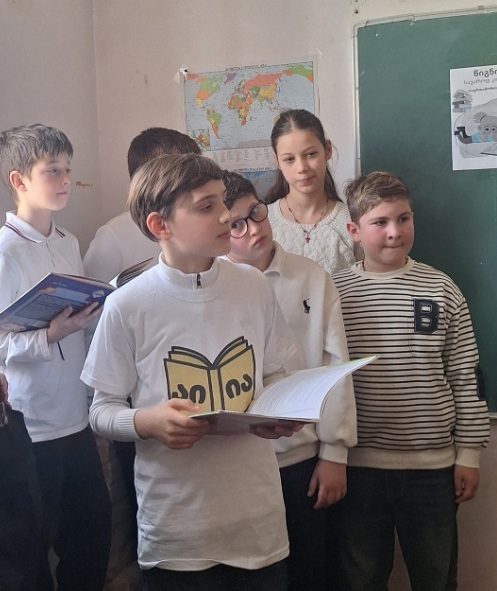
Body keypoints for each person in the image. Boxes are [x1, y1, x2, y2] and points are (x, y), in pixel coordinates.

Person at [82, 153, 302, 591]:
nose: (225, 215)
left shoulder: (253, 286)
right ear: (159, 225)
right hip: (176, 535)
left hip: (257, 525)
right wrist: (147, 422)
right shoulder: (127, 305)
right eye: (206, 206)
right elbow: (101, 411)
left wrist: (278, 411)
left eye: (222, 201)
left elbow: (277, 373)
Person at [331, 171, 490, 591]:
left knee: (435, 577)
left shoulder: (441, 288)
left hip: (432, 468)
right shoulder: (335, 293)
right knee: (361, 578)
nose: (394, 232)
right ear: (354, 230)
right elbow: (323, 377)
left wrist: (469, 455)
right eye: (380, 222)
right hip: (357, 469)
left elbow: (466, 376)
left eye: (403, 218)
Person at [222, 170, 357, 591]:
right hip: (236, 461)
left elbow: (335, 365)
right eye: (236, 225)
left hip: (302, 460)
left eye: (255, 213)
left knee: (310, 571)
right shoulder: (214, 288)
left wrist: (334, 453)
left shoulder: (312, 277)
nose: (253, 229)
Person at [0, 124, 112, 590]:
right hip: (32, 426)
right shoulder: (5, 251)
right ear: (19, 180)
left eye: (68, 169)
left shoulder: (68, 241)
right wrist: (49, 335)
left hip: (76, 419)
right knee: (31, 554)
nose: (65, 180)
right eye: (52, 171)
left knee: (92, 539)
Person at [83, 127, 201, 282]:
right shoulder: (113, 235)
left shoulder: (204, 224)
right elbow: (92, 292)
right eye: (181, 172)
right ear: (144, 179)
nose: (195, 180)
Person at [266, 109, 361, 275]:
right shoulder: (264, 223)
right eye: (289, 159)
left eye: (310, 154)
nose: (302, 168)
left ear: (327, 150)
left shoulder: (351, 222)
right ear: (277, 161)